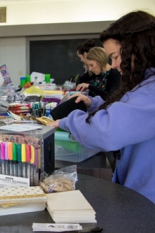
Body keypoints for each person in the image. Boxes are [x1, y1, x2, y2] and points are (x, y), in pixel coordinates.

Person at [48, 11, 155, 204]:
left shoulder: (151, 91)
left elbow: (107, 131)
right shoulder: (144, 82)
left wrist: (67, 122)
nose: (113, 65)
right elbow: (129, 108)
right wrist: (94, 104)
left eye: (115, 57)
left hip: (146, 200)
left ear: (137, 49)